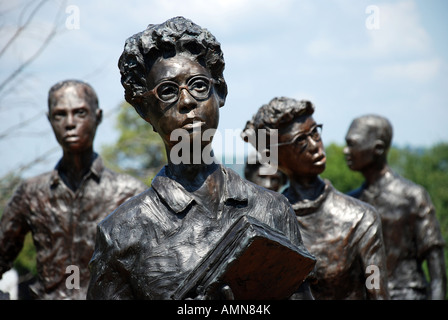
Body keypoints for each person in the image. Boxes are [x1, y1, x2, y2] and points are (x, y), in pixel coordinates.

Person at [87, 16, 314, 300]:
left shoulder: (274, 211)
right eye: (168, 91)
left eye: (197, 85)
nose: (186, 101)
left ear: (219, 91)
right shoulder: (120, 233)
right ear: (145, 110)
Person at [0, 80, 147, 299]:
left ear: (97, 117)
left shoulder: (130, 194)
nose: (70, 123)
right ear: (49, 120)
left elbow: (154, 270)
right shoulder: (30, 194)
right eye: (60, 115)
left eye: (79, 113)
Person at [243, 97, 389, 299]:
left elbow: (377, 291)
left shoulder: (361, 219)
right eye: (301, 140)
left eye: (315, 132)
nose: (315, 145)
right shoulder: (264, 222)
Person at [344, 114, 447, 300]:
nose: (345, 151)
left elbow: (437, 273)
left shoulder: (412, 197)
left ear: (378, 148)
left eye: (352, 144)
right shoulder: (352, 201)